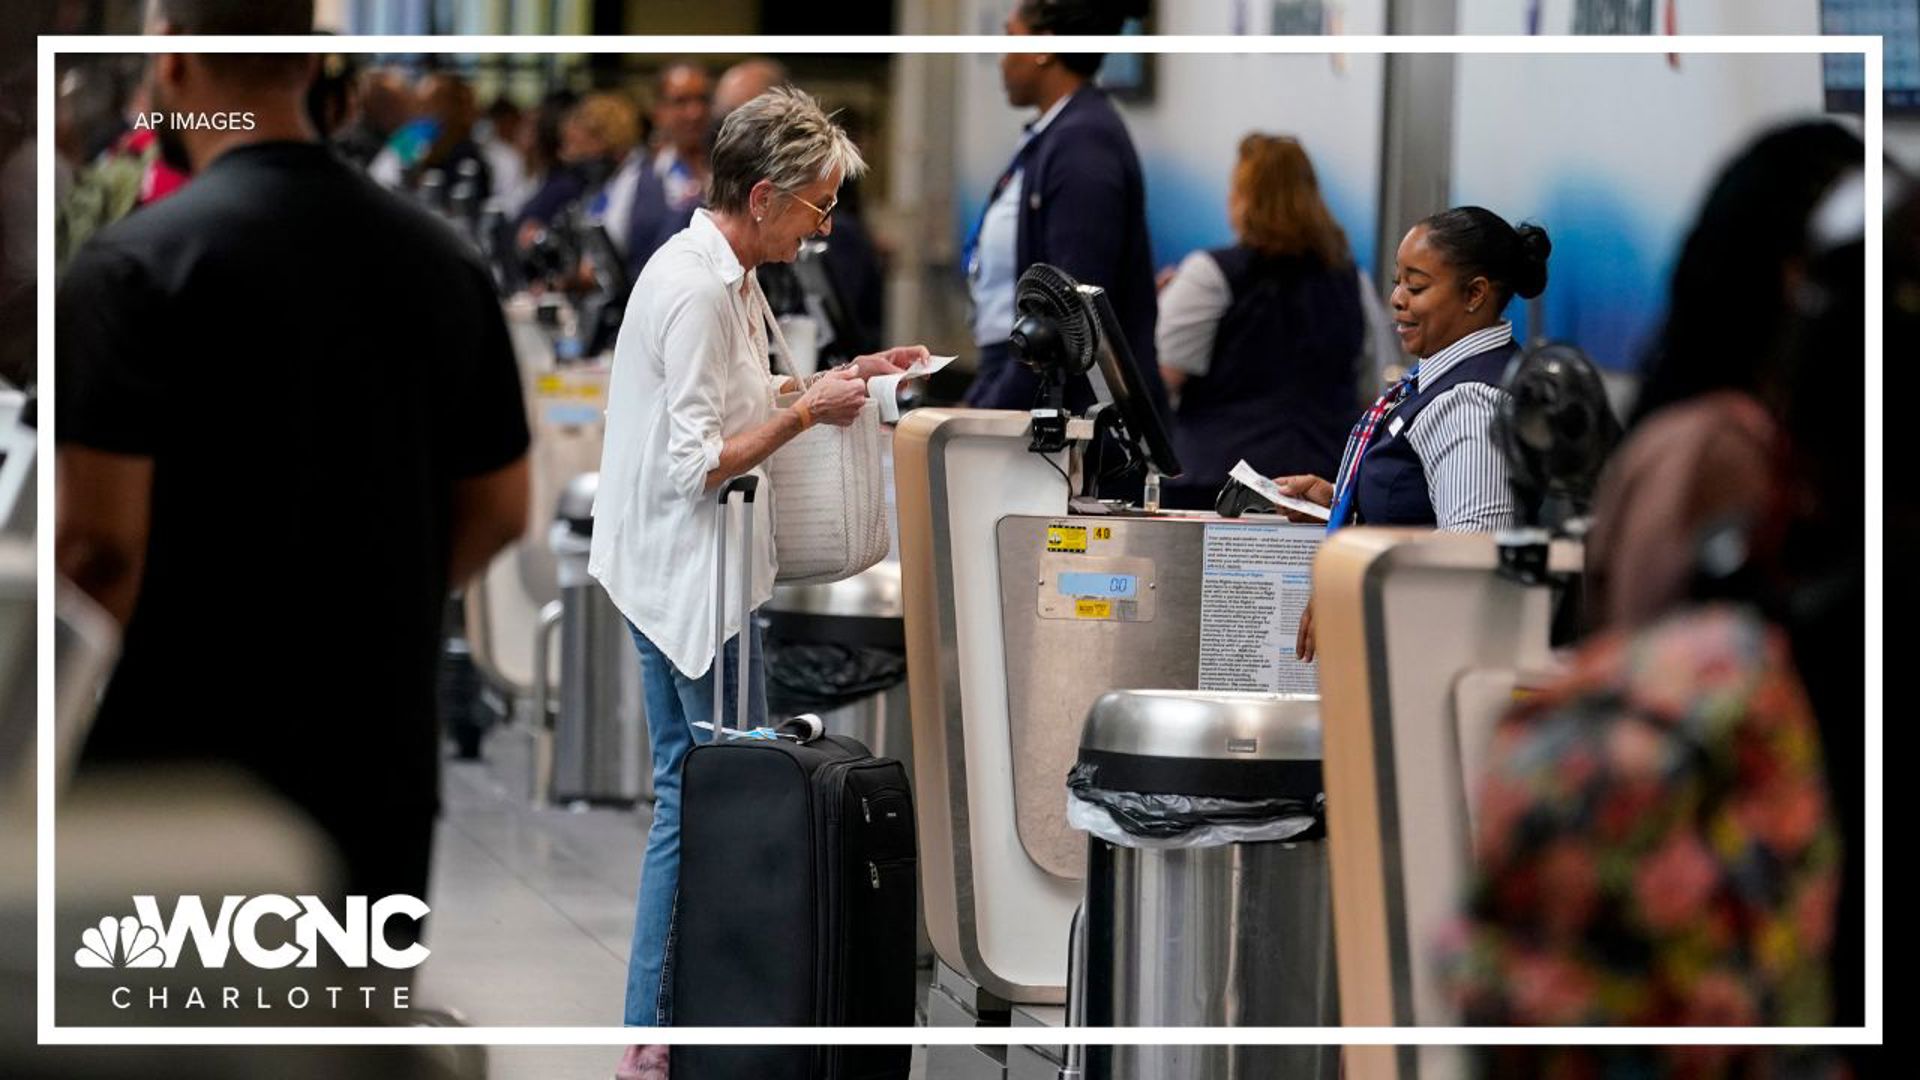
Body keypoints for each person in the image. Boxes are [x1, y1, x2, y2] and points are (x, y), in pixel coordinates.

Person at [55, 0, 529, 938]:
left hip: (175, 759)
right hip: (374, 749)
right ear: (315, 67)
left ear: (175, 63)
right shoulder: (445, 263)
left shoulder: (134, 268)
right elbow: (502, 506)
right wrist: (370, 603)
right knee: (343, 1032)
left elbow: (100, 548)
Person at [587, 87, 925, 1052]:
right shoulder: (698, 287)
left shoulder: (723, 273)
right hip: (688, 573)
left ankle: (670, 1025)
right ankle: (654, 1034)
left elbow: (740, 394)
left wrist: (840, 376)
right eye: (818, 206)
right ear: (766, 194)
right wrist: (806, 416)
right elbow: (699, 461)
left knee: (691, 790)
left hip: (695, 568)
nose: (824, 227)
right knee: (696, 797)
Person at [1272, 206, 1548, 661]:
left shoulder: (1470, 404)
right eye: (1398, 281)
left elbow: (1470, 558)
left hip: (1436, 669)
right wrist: (1342, 501)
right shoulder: (1439, 380)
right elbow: (1426, 512)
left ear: (1475, 294)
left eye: (1416, 286)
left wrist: (1352, 579)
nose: (1397, 299)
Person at [1155, 133, 1393, 509]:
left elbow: (1162, 379)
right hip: (1318, 488)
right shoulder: (1353, 282)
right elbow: (1371, 386)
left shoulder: (1208, 274)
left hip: (1215, 489)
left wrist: (1155, 310)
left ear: (1244, 198)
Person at [963, 0, 1168, 426]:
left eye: (1010, 39)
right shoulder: (1055, 135)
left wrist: (993, 410)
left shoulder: (1083, 146)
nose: (1002, 59)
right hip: (1015, 374)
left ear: (1044, 48)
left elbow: (1068, 314)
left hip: (1066, 412)